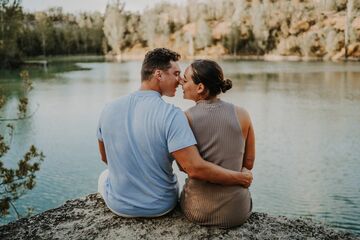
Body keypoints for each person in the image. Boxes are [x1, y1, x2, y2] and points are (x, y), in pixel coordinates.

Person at [97, 48, 253, 217]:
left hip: (119, 206)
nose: (180, 81)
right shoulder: (172, 115)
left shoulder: (108, 109)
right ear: (159, 74)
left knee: (105, 175)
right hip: (161, 205)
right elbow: (193, 167)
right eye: (176, 73)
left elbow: (106, 158)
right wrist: (240, 178)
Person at [179, 59, 255, 228]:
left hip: (197, 210)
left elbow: (183, 167)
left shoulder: (184, 119)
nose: (181, 83)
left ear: (200, 88)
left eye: (185, 79)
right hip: (237, 212)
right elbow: (248, 163)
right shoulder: (242, 114)